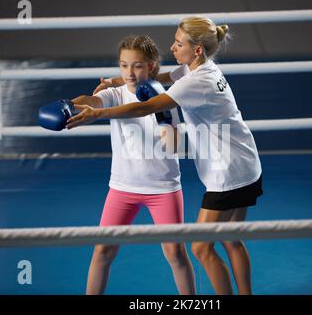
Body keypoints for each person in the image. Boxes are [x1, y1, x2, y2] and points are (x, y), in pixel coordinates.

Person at [67, 17, 263, 295]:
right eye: (125, 65)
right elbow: (162, 79)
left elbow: (142, 109)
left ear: (197, 50)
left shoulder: (194, 83)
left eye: (179, 43)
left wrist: (97, 115)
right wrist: (100, 90)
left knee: (200, 247)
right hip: (245, 163)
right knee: (231, 240)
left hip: (226, 172)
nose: (172, 47)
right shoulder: (197, 69)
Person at [61, 35, 196, 295]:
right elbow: (91, 101)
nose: (130, 72)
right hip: (122, 188)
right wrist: (69, 105)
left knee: (176, 253)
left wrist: (162, 116)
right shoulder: (115, 93)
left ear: (151, 67)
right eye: (124, 65)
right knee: (102, 250)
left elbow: (175, 148)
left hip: (162, 188)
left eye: (136, 65)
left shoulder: (167, 99)